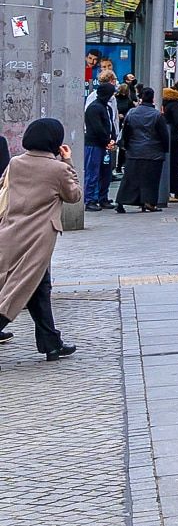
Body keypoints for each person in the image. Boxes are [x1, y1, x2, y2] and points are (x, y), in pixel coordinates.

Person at [0, 118, 82, 359]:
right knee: (20, 289)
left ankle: (51, 342)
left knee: (37, 287)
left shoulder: (16, 163)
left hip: (11, 232)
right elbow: (74, 196)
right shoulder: (58, 169)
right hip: (39, 238)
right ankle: (49, 341)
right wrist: (67, 161)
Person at [116, 88, 168, 213]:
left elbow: (126, 133)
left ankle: (121, 202)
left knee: (130, 178)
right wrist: (164, 149)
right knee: (151, 180)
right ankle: (149, 203)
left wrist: (127, 146)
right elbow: (164, 136)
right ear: (153, 99)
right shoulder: (157, 115)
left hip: (134, 151)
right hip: (153, 153)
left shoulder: (131, 113)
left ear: (141, 98)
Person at [83, 82, 117, 212]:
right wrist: (108, 140)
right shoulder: (94, 108)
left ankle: (102, 197)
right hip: (94, 145)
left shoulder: (104, 107)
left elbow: (110, 124)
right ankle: (90, 199)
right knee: (93, 173)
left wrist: (112, 138)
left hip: (102, 144)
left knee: (105, 173)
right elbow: (98, 128)